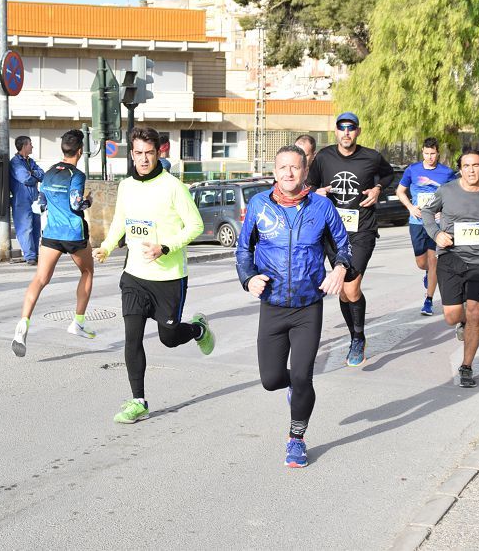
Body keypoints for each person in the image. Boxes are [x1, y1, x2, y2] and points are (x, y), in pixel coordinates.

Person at [236, 145, 351, 468]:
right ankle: (296, 390)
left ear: (305, 172)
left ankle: (296, 439)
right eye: (283, 167)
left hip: (306, 306)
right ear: (275, 171)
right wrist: (248, 278)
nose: (289, 173)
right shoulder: (259, 205)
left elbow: (344, 247)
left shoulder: (322, 207)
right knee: (272, 379)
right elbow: (243, 250)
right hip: (272, 304)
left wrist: (340, 269)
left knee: (302, 377)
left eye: (295, 167)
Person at [93, 126, 215, 423]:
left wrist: (166, 247)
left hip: (170, 277)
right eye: (138, 153)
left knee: (169, 338)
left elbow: (195, 226)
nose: (144, 159)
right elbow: (121, 221)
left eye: (149, 153)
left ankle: (197, 330)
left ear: (159, 152)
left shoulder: (173, 187)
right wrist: (107, 247)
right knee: (132, 338)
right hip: (135, 275)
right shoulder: (126, 186)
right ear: (131, 153)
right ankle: (138, 401)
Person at [307, 112, 394, 367]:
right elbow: (310, 185)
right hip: (332, 232)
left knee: (351, 287)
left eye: (351, 128)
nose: (346, 132)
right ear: (336, 131)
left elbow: (388, 175)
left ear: (358, 131)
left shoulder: (371, 157)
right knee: (344, 291)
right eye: (341, 128)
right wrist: (317, 192)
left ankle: (357, 338)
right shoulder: (324, 157)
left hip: (362, 230)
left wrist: (378, 189)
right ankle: (356, 334)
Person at [422, 151, 479, 388]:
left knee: (475, 312)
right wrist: (437, 234)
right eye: (466, 166)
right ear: (460, 168)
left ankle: (466, 366)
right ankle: (462, 324)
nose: (471, 170)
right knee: (452, 317)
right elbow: (427, 212)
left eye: (475, 166)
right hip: (450, 258)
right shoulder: (448, 190)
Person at [12, 130, 96, 357]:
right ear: (79, 151)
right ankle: (77, 322)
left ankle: (23, 323)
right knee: (87, 272)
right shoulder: (76, 174)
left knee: (40, 279)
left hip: (51, 235)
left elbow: (40, 205)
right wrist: (89, 200)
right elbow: (76, 205)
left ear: (63, 150)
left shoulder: (48, 173)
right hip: (73, 234)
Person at [396, 137, 458, 316]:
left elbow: (455, 194)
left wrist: (444, 211)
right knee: (421, 263)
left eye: (433, 153)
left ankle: (428, 300)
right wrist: (410, 207)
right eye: (426, 153)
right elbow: (400, 191)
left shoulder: (446, 173)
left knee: (433, 262)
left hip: (437, 224)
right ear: (422, 152)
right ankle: (428, 275)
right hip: (417, 222)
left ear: (438, 153)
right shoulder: (412, 170)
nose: (430, 157)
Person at [10, 136, 45, 265]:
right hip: (21, 199)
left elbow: (43, 174)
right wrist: (34, 175)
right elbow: (25, 178)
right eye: (30, 144)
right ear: (24, 146)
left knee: (36, 227)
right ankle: (29, 256)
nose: (32, 146)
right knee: (25, 228)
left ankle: (35, 255)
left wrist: (33, 173)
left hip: (34, 198)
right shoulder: (15, 162)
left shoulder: (30, 161)